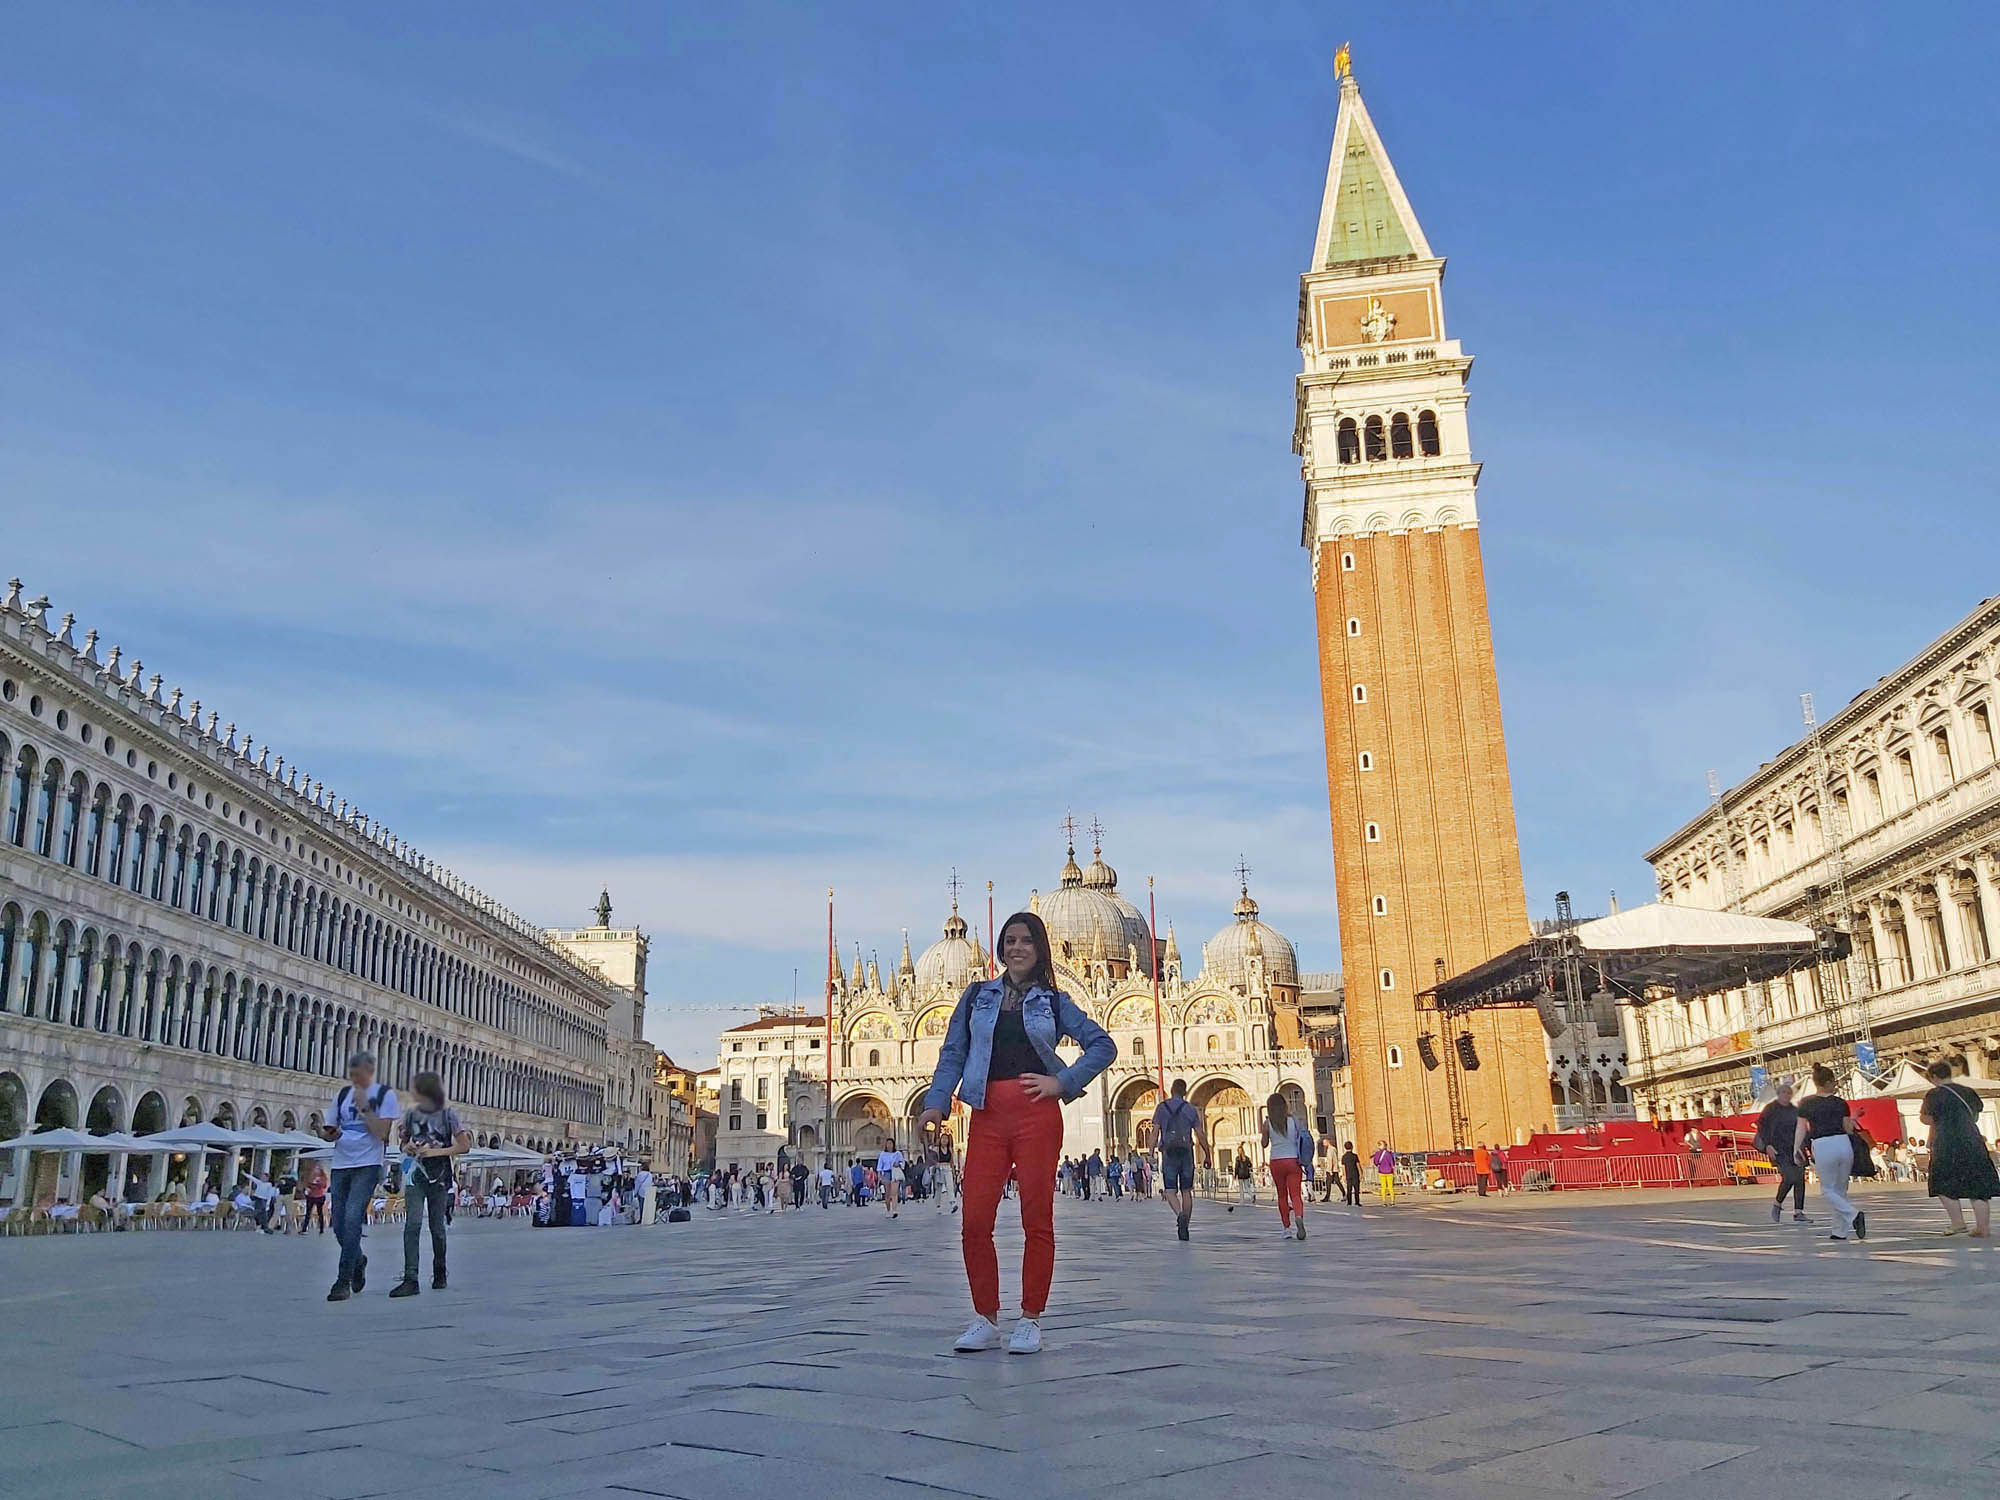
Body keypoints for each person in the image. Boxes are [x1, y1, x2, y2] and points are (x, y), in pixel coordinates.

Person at [917, 909, 1115, 1357]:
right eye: (1009, 940)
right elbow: (953, 1052)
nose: (1016, 947)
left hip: (1037, 1115)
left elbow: (1103, 1045)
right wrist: (935, 1102)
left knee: (1036, 1218)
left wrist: (1061, 1082)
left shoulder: (1055, 1000)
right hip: (986, 1114)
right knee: (973, 1221)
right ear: (1001, 948)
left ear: (1039, 946)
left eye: (1025, 940)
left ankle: (1030, 1318)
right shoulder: (976, 997)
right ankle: (985, 1318)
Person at [319, 1051, 398, 1302]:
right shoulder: (342, 1095)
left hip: (368, 1163)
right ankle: (358, 1259)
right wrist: (329, 1134)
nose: (355, 1078)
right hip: (341, 1162)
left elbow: (382, 1133)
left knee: (353, 1218)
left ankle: (342, 1281)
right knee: (339, 1224)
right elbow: (329, 1128)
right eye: (352, 1073)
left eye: (359, 1073)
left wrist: (364, 1106)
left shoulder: (385, 1096)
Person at [390, 1071, 469, 1297]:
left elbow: (464, 1145)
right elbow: (403, 1143)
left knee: (437, 1228)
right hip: (416, 1175)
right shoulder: (411, 1115)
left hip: (440, 1176)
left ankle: (440, 1271)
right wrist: (408, 1148)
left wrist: (436, 1151)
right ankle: (410, 1278)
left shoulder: (448, 1116)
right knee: (412, 1225)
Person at [1920, 1060, 1999, 1237]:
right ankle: (1983, 1228)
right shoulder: (1968, 1091)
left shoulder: (1934, 1094)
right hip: (1973, 1141)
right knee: (1978, 1185)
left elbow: (1926, 1118)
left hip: (1946, 1143)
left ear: (1933, 1076)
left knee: (1941, 1182)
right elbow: (1976, 1115)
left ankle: (1958, 1223)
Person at [1795, 1064, 1865, 1242]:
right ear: (1827, 1082)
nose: (1835, 1085)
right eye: (1833, 1082)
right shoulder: (1840, 1103)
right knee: (1841, 1190)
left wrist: (1796, 1148)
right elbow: (1848, 1127)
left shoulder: (1806, 1103)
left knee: (1828, 1190)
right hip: (1843, 1143)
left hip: (1822, 1144)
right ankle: (1839, 1231)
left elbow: (1801, 1127)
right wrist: (1855, 1118)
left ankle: (1853, 1215)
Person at [1152, 1078, 1210, 1241]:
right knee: (1186, 1191)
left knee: (1170, 1191)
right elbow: (1200, 1134)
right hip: (1186, 1153)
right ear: (1185, 1092)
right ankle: (1186, 1225)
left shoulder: (1161, 1108)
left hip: (1169, 1153)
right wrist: (1207, 1154)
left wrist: (1151, 1151)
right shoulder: (1191, 1109)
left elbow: (1155, 1132)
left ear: (1171, 1091)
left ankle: (1179, 1215)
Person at [1754, 1081, 1809, 1224]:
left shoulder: (1794, 1110)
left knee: (1799, 1179)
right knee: (1789, 1177)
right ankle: (1777, 1204)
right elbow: (1762, 1126)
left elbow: (1802, 1128)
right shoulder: (1771, 1109)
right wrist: (1768, 1145)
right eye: (1784, 1092)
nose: (1786, 1095)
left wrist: (1807, 1146)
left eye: (1789, 1093)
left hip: (1794, 1147)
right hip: (1778, 1148)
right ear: (1778, 1094)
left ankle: (1798, 1212)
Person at [1265, 1093, 1312, 1241]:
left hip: (1276, 1161)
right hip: (1293, 1161)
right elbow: (1302, 1137)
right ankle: (1298, 1216)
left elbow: (1264, 1143)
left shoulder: (1268, 1123)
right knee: (1296, 1195)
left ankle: (1286, 1228)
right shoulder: (1294, 1121)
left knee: (1282, 1195)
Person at [1340, 1141, 1362, 1206]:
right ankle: (1357, 1202)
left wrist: (1344, 1175)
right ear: (1352, 1147)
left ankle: (1349, 1202)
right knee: (1356, 1189)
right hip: (1355, 1173)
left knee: (1349, 1188)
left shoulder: (1344, 1157)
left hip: (1348, 1174)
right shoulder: (1355, 1156)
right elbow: (1358, 1165)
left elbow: (1343, 1167)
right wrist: (1361, 1173)